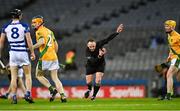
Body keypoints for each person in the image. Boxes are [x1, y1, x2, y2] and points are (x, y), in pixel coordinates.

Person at [0, 9, 35, 104]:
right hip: (22, 52)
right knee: (27, 75)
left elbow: (1, 42)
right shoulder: (24, 26)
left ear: (12, 17)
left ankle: (14, 97)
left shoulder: (5, 27)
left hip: (13, 54)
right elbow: (29, 41)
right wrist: (32, 52)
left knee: (13, 77)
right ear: (19, 16)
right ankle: (27, 93)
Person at [31, 15, 67, 103]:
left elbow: (41, 42)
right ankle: (63, 96)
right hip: (54, 57)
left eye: (34, 22)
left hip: (44, 57)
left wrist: (30, 48)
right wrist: (54, 54)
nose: (33, 24)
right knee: (55, 78)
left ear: (39, 23)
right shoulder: (49, 31)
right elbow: (56, 45)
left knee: (38, 75)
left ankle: (52, 89)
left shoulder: (39, 31)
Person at [84, 24, 123, 100]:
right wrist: (99, 55)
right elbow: (93, 61)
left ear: (95, 44)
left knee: (98, 80)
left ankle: (94, 96)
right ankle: (89, 89)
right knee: (88, 82)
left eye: (93, 46)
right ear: (87, 46)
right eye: (90, 47)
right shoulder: (87, 51)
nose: (92, 48)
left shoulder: (99, 44)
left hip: (100, 65)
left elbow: (108, 39)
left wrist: (117, 32)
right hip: (91, 65)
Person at [164, 20, 180, 100]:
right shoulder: (169, 35)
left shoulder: (178, 36)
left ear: (173, 27)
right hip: (174, 58)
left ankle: (169, 95)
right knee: (178, 78)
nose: (166, 28)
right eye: (165, 26)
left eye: (167, 26)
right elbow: (172, 47)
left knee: (169, 74)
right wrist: (169, 55)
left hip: (178, 58)